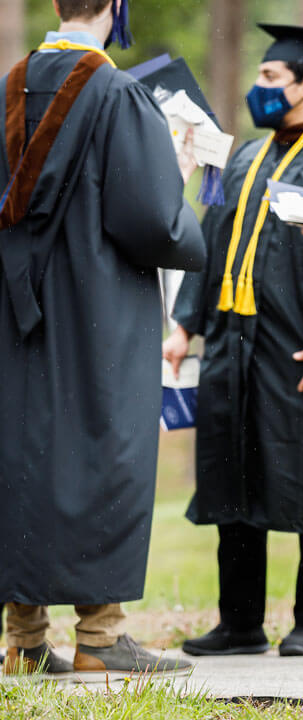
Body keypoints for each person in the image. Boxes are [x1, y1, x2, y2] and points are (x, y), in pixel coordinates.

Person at [0, 0, 204, 680]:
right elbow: (151, 217)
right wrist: (175, 169)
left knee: (19, 454)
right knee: (102, 447)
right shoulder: (118, 94)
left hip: (14, 309)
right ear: (114, 7)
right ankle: (100, 634)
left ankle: (24, 639)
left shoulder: (6, 87)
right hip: (95, 306)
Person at [164, 23, 303, 658]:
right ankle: (240, 624)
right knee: (232, 478)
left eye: (269, 79)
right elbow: (212, 240)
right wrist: (186, 323)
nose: (258, 89)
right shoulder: (248, 156)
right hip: (232, 345)